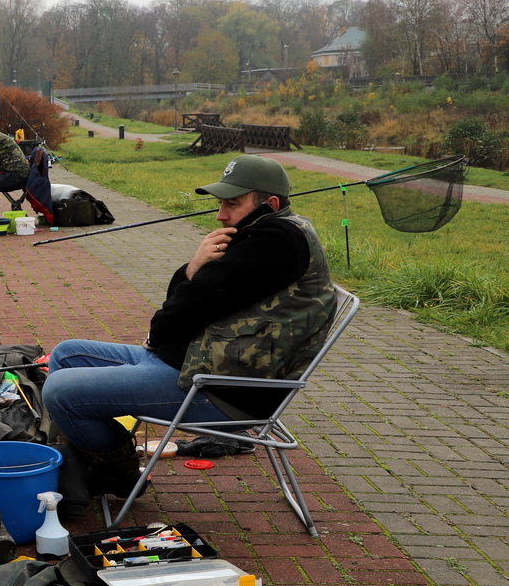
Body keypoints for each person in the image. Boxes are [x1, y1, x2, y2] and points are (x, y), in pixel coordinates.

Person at [39, 155, 335, 502]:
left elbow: (187, 307)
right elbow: (193, 298)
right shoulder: (271, 230)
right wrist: (194, 266)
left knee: (60, 391)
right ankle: (86, 464)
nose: (221, 215)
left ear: (269, 204)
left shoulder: (275, 239)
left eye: (232, 204)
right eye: (220, 203)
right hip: (195, 363)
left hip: (220, 390)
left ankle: (117, 477)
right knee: (66, 354)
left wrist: (167, 317)